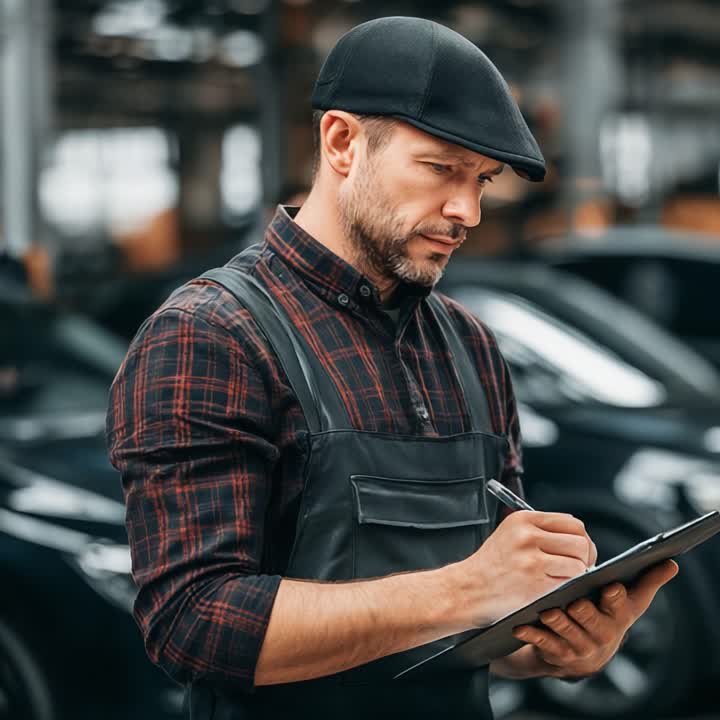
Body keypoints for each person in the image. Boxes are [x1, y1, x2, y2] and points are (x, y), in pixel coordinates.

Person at [106, 16, 677, 720]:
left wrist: (556, 644)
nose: (467, 210)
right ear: (342, 142)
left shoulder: (471, 348)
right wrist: (468, 588)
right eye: (441, 168)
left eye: (483, 180)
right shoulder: (211, 336)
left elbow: (482, 628)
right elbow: (193, 623)